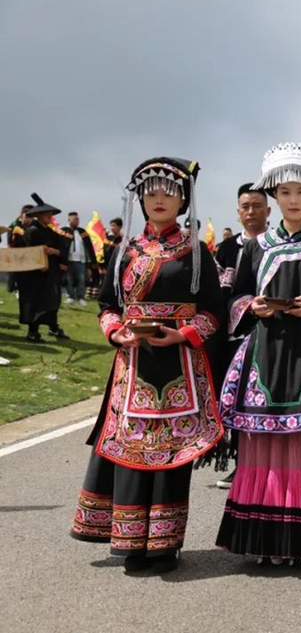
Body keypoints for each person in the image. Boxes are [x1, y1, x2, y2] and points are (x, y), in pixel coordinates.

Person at [69, 157, 223, 573]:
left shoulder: (196, 252)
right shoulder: (125, 252)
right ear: (140, 199)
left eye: (168, 193)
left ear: (183, 201)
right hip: (132, 363)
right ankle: (130, 540)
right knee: (131, 450)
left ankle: (165, 544)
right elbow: (106, 306)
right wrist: (116, 331)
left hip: (179, 364)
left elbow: (214, 310)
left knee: (172, 453)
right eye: (150, 192)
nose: (158, 200)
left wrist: (184, 333)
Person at [216, 143, 301, 567]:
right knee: (261, 445)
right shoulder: (255, 248)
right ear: (274, 196)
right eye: (286, 192)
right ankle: (262, 539)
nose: (294, 200)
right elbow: (236, 298)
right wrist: (251, 306)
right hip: (264, 356)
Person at [212, 182, 272, 489]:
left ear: (268, 210)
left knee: (260, 400)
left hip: (268, 334)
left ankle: (263, 466)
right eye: (245, 207)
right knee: (234, 401)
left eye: (257, 206)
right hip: (230, 335)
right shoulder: (226, 248)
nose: (251, 212)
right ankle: (241, 464)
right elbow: (217, 291)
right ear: (238, 213)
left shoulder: (277, 245)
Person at [19, 194, 69, 341]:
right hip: (35, 274)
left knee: (52, 300)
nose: (50, 218)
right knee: (36, 301)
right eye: (48, 215)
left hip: (51, 272)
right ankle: (32, 331)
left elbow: (62, 249)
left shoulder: (50, 232)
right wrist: (39, 260)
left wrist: (55, 251)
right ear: (40, 215)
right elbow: (27, 252)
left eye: (51, 215)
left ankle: (53, 327)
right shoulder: (32, 231)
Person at [61, 211, 96, 306]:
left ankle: (81, 297)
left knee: (81, 280)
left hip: (81, 260)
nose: (77, 221)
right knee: (69, 280)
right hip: (68, 260)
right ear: (69, 220)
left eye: (78, 219)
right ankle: (70, 296)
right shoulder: (63, 231)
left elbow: (89, 248)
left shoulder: (82, 232)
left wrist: (90, 263)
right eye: (75, 219)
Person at [6, 205, 33, 296]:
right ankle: (15, 288)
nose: (29, 219)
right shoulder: (14, 226)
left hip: (30, 254)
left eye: (31, 217)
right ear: (22, 216)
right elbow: (10, 242)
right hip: (16, 253)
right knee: (11, 283)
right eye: (27, 217)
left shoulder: (34, 227)